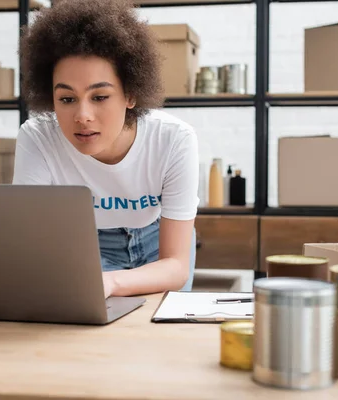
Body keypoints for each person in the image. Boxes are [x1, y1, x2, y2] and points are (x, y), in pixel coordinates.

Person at [14, 0, 199, 298]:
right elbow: (30, 247)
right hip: (84, 245)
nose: (82, 115)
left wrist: (111, 282)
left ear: (131, 94)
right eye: (66, 99)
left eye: (99, 97)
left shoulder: (174, 139)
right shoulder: (38, 138)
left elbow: (176, 266)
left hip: (158, 242)